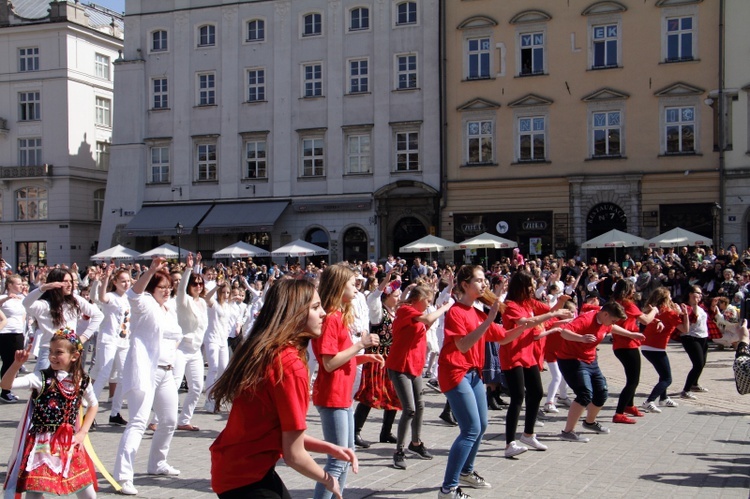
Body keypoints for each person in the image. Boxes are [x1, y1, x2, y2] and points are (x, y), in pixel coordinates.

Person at [209, 279, 357, 499]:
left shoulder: (269, 351)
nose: (324, 313)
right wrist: (329, 479)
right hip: (244, 476)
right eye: (316, 307)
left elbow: (280, 433)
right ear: (295, 314)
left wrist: (329, 448)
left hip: (238, 468)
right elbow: (294, 455)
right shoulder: (288, 365)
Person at [437, 265, 531, 499]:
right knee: (470, 429)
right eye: (478, 280)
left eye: (483, 280)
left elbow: (504, 337)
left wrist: (524, 326)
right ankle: (447, 489)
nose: (483, 284)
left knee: (483, 425)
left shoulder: (478, 313)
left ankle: (466, 472)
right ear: (465, 285)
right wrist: (489, 319)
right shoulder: (456, 312)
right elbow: (463, 345)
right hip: (455, 373)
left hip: (473, 374)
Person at [311, 264, 382, 499]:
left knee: (346, 456)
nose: (357, 286)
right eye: (352, 283)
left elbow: (341, 358)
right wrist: (360, 345)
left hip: (341, 396)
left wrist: (363, 356)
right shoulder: (331, 318)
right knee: (339, 460)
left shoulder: (338, 316)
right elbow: (329, 363)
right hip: (333, 397)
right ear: (340, 286)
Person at [1, 328, 98, 498]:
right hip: (42, 442)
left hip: (68, 442)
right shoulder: (41, 378)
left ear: (74, 356)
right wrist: (16, 364)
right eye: (51, 351)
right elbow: (6, 385)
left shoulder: (82, 380)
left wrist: (82, 432)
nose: (53, 356)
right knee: (35, 491)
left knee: (87, 492)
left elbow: (94, 405)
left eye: (59, 352)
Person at [114, 257, 183, 495]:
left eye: (168, 287)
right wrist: (152, 270)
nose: (166, 291)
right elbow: (133, 294)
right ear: (152, 288)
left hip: (166, 371)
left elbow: (175, 335)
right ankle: (124, 476)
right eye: (161, 287)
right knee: (138, 422)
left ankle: (157, 463)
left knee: (170, 420)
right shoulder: (144, 303)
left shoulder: (168, 308)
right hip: (145, 370)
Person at [501, 270, 573, 457]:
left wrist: (561, 303)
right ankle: (509, 444)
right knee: (517, 397)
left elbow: (548, 311)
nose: (533, 288)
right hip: (513, 355)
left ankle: (528, 434)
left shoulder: (529, 302)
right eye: (529, 285)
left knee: (537, 392)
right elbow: (526, 322)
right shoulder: (510, 305)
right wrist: (554, 314)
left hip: (529, 354)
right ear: (520, 287)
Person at [543, 301, 638, 442]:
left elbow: (612, 328)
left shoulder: (605, 322)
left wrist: (631, 334)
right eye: (612, 320)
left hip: (590, 360)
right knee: (585, 394)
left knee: (602, 392)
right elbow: (564, 333)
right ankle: (568, 431)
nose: (613, 323)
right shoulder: (586, 319)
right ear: (605, 314)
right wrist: (581, 338)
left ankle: (589, 422)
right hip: (572, 360)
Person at [386, 284, 451, 470]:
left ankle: (415, 443)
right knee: (410, 409)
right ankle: (399, 451)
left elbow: (428, 322)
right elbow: (429, 317)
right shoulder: (406, 310)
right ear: (418, 298)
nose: (429, 304)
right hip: (399, 366)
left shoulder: (415, 313)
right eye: (427, 300)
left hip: (414, 366)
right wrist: (444, 308)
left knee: (420, 405)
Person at [353, 274, 402, 449]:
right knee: (370, 394)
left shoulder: (394, 312)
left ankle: (386, 432)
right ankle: (355, 432)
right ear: (387, 296)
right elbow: (374, 297)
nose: (398, 299)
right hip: (376, 358)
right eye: (396, 296)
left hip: (390, 358)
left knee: (394, 393)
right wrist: (384, 283)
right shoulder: (377, 312)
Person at [23, 269, 103, 372]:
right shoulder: (44, 305)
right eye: (65, 281)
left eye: (71, 281)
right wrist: (43, 288)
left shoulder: (75, 300)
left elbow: (98, 315)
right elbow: (26, 303)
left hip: (70, 351)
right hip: (49, 351)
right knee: (43, 384)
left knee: (69, 385)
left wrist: (84, 337)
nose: (69, 285)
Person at [610, 279, 660, 424]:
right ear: (628, 290)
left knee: (631, 378)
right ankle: (619, 413)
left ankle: (629, 405)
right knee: (633, 380)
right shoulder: (627, 303)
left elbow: (636, 315)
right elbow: (645, 320)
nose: (634, 291)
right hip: (628, 345)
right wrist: (655, 311)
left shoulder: (616, 302)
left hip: (620, 345)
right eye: (632, 289)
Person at [91, 264, 131, 426]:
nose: (126, 284)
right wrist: (105, 277)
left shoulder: (129, 297)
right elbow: (101, 298)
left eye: (128, 281)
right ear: (115, 282)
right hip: (108, 339)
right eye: (122, 281)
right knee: (104, 374)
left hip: (124, 340)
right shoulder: (111, 296)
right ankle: (89, 413)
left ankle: (115, 413)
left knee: (123, 376)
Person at [640, 288, 690, 413]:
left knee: (663, 374)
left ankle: (664, 398)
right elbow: (685, 329)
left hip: (647, 346)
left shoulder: (653, 310)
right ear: (665, 299)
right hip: (656, 348)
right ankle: (649, 401)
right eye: (670, 297)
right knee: (667, 379)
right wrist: (685, 315)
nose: (672, 299)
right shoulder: (669, 313)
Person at [173, 253, 208, 431]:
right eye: (194, 284)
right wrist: (188, 269)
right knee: (174, 384)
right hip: (181, 348)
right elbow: (180, 290)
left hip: (195, 350)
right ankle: (159, 418)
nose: (198, 286)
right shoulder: (183, 300)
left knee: (196, 387)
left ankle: (184, 420)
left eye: (200, 283)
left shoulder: (202, 302)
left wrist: (198, 266)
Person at [203, 281, 232, 413]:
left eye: (227, 292)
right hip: (212, 339)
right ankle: (209, 400)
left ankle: (218, 397)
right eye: (223, 292)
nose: (226, 295)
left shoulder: (227, 306)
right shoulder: (213, 304)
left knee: (223, 369)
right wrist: (216, 287)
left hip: (223, 340)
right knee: (213, 368)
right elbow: (207, 297)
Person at [679, 286, 711, 399]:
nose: (700, 296)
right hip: (690, 337)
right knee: (698, 364)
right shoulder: (685, 307)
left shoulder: (701, 307)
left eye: (701, 294)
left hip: (703, 336)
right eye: (698, 293)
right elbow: (694, 320)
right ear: (690, 294)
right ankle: (686, 390)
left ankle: (694, 384)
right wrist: (694, 305)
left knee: (702, 363)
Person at [0, 275, 22, 402]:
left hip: (18, 333)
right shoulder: (3, 298)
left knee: (16, 363)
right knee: (8, 362)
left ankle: (8, 388)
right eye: (18, 284)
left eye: (21, 283)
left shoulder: (21, 298)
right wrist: (8, 297)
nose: (20, 286)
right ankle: (5, 391)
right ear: (9, 285)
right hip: (6, 333)